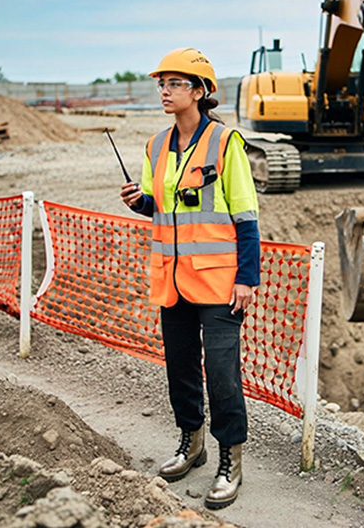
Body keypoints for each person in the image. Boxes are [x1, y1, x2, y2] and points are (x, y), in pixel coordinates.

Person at [120, 48, 261, 510]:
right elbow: (160, 204)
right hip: (172, 280)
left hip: (220, 284)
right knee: (180, 370)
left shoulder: (225, 143)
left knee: (222, 375)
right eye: (162, 83)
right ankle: (192, 443)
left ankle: (230, 461)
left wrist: (247, 278)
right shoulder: (155, 146)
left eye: (175, 83)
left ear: (200, 92)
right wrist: (137, 201)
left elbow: (245, 216)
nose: (165, 90)